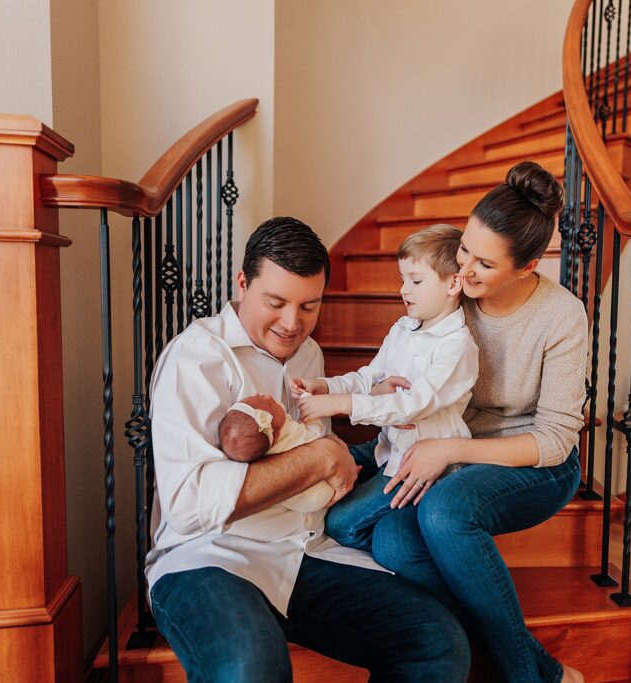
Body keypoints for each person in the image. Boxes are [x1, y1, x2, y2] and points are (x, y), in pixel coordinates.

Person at [145, 216, 470, 682]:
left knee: (437, 641)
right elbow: (189, 507)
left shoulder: (307, 355)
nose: (292, 323)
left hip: (305, 551)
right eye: (275, 303)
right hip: (208, 557)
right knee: (251, 666)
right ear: (242, 283)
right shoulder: (196, 358)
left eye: (309, 306)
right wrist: (320, 456)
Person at [366, 162, 588, 683]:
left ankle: (525, 679)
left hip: (534, 459)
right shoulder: (447, 298)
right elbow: (401, 371)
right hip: (451, 447)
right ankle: (529, 665)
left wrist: (450, 451)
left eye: (484, 264)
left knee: (444, 513)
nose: (463, 271)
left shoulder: (561, 317)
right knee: (393, 542)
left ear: (528, 266)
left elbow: (555, 438)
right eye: (464, 248)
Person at [293, 223, 479, 550]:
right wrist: (325, 386)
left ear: (453, 283)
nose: (404, 290)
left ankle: (410, 520)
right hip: (389, 447)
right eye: (402, 279)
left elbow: (413, 405)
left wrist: (342, 405)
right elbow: (370, 377)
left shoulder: (456, 347)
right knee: (318, 465)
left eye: (416, 281)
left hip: (418, 465)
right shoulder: (403, 329)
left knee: (338, 523)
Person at [217, 393, 333, 512]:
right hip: (322, 488)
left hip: (299, 503)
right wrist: (308, 404)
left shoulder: (258, 450)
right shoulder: (289, 433)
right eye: (271, 405)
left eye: (260, 396)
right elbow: (314, 433)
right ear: (276, 435)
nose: (269, 396)